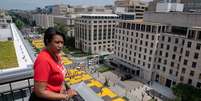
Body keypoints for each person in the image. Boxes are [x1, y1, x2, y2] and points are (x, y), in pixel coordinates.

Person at [29, 27, 77, 101]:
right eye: (57, 42)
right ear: (48, 41)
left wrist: (62, 85)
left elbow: (58, 73)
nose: (60, 46)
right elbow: (40, 92)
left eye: (62, 42)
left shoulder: (56, 55)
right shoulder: (43, 60)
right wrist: (66, 96)